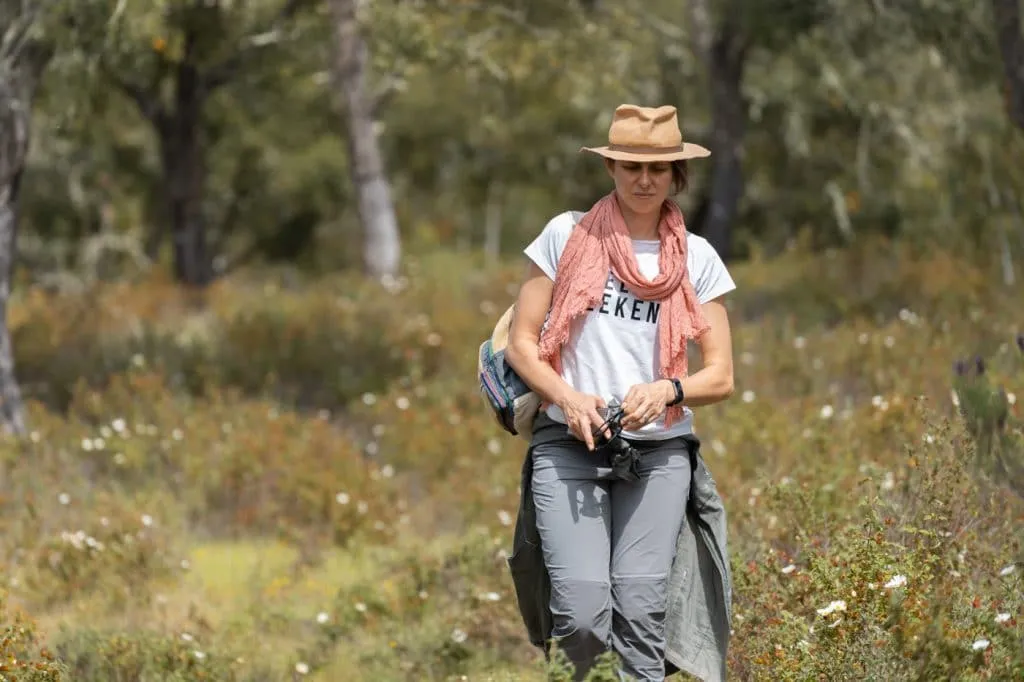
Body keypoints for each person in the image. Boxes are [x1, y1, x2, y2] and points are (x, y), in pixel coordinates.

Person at [504, 104, 736, 681]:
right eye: (631, 165)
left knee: (640, 609)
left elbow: (722, 376)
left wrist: (669, 389)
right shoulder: (566, 234)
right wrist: (571, 398)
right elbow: (521, 343)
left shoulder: (698, 257)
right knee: (581, 616)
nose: (644, 179)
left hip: (658, 454)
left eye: (658, 168)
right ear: (611, 167)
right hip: (568, 444)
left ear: (676, 174)